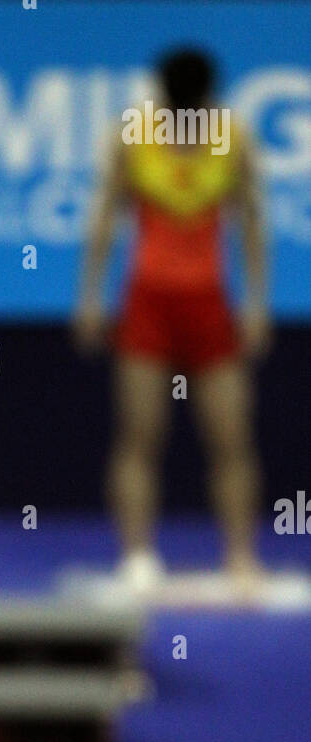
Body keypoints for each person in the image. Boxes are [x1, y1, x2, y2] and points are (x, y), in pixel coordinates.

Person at [74, 48, 271, 595]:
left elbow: (252, 223)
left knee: (230, 438)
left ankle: (241, 558)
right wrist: (91, 298)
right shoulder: (131, 138)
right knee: (140, 436)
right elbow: (105, 220)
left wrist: (254, 304)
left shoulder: (235, 139)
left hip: (210, 308)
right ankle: (137, 557)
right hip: (147, 309)